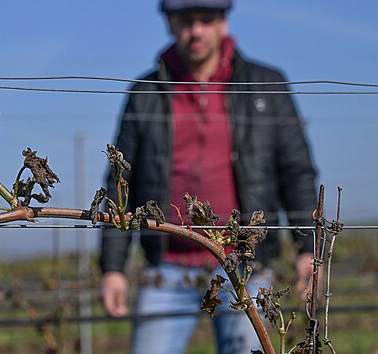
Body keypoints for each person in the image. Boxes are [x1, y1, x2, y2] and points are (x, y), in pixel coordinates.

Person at [99, 0, 318, 353]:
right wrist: (112, 267)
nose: (196, 30)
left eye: (206, 19)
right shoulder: (145, 94)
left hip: (247, 266)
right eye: (186, 21)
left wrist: (309, 248)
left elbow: (295, 171)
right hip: (167, 269)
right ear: (170, 25)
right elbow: (120, 183)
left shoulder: (266, 85)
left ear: (223, 23)